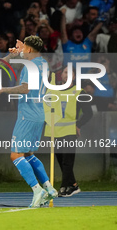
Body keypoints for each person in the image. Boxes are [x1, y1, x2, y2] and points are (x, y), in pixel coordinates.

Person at [0, 35, 58, 208]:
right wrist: (18, 52)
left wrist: (3, 89)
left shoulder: (30, 67)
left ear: (29, 49)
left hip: (27, 115)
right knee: (28, 154)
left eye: (24, 48)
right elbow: (5, 62)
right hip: (39, 113)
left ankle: (37, 190)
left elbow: (25, 87)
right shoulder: (43, 63)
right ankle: (49, 188)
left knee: (15, 154)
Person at [44, 66, 93, 197]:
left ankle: (64, 187)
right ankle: (74, 185)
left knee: (67, 161)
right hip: (54, 131)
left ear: (74, 76)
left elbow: (89, 113)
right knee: (61, 161)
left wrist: (79, 125)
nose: (66, 75)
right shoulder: (53, 90)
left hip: (70, 131)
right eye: (65, 72)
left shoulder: (78, 92)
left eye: (69, 72)